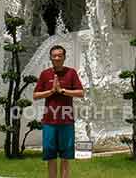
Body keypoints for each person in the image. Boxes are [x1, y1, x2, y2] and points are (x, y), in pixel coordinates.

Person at [33, 45, 84, 178]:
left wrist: (62, 90)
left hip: (66, 121)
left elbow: (81, 93)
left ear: (64, 57)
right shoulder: (45, 74)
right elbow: (36, 95)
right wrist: (51, 91)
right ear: (50, 57)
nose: (57, 58)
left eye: (60, 55)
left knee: (65, 157)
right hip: (49, 121)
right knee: (50, 156)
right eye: (54, 55)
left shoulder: (71, 73)